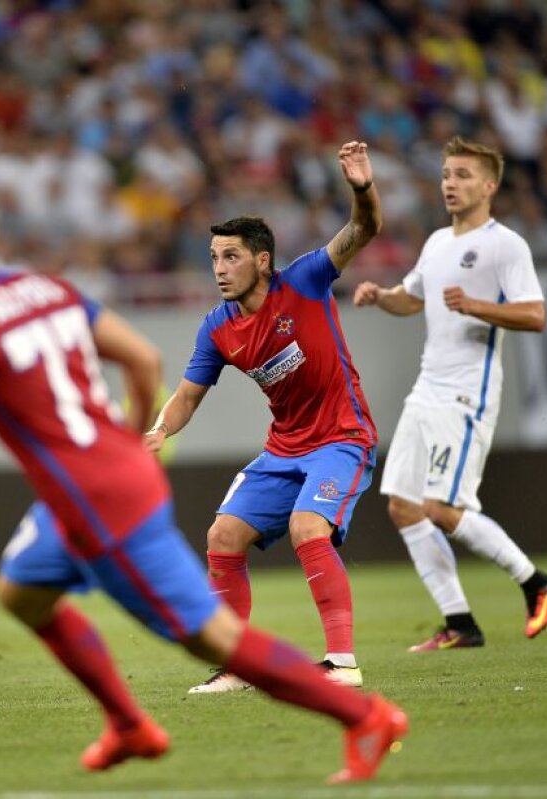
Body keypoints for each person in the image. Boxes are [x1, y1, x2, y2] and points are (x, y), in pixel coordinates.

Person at [0, 183, 407, 784]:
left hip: (100, 496)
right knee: (20, 591)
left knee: (212, 638)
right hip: (98, 483)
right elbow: (143, 361)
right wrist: (134, 440)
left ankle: (364, 715)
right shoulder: (45, 288)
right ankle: (129, 725)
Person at [145, 141, 382, 692]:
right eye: (213, 259)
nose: (220, 269)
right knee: (223, 535)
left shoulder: (305, 281)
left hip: (342, 438)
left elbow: (362, 230)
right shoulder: (218, 327)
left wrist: (362, 188)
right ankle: (237, 665)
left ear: (262, 261)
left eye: (230, 257)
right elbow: (186, 396)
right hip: (285, 449)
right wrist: (158, 430)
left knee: (306, 527)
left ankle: (342, 663)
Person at [353, 136, 547, 652]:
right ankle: (461, 623)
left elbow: (534, 314)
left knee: (443, 508)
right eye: (447, 174)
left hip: (468, 394)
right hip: (427, 388)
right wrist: (382, 297)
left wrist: (476, 306)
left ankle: (536, 582)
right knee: (403, 505)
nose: (451, 183)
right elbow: (412, 299)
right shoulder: (437, 243)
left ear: (490, 186)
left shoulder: (503, 245)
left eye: (463, 175)